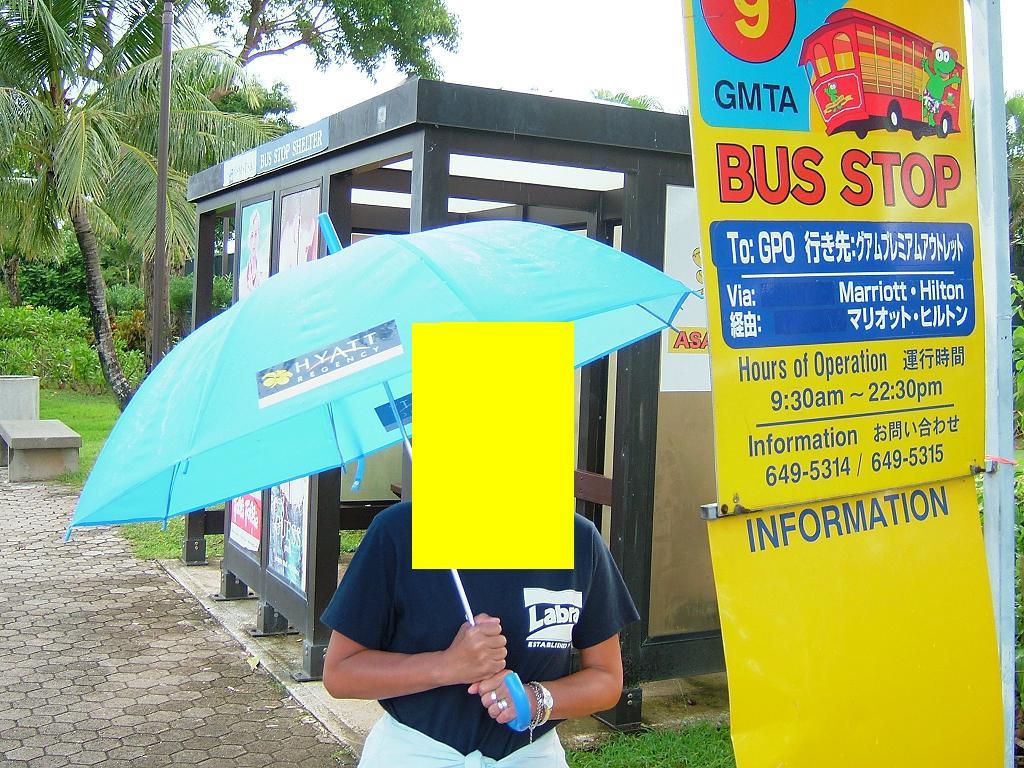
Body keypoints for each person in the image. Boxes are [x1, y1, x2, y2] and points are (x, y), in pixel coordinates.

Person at [320, 501, 639, 766]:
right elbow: (340, 672)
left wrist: (535, 700)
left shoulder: (578, 539)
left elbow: (606, 678)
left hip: (530, 757)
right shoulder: (398, 531)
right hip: (413, 754)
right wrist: (445, 666)